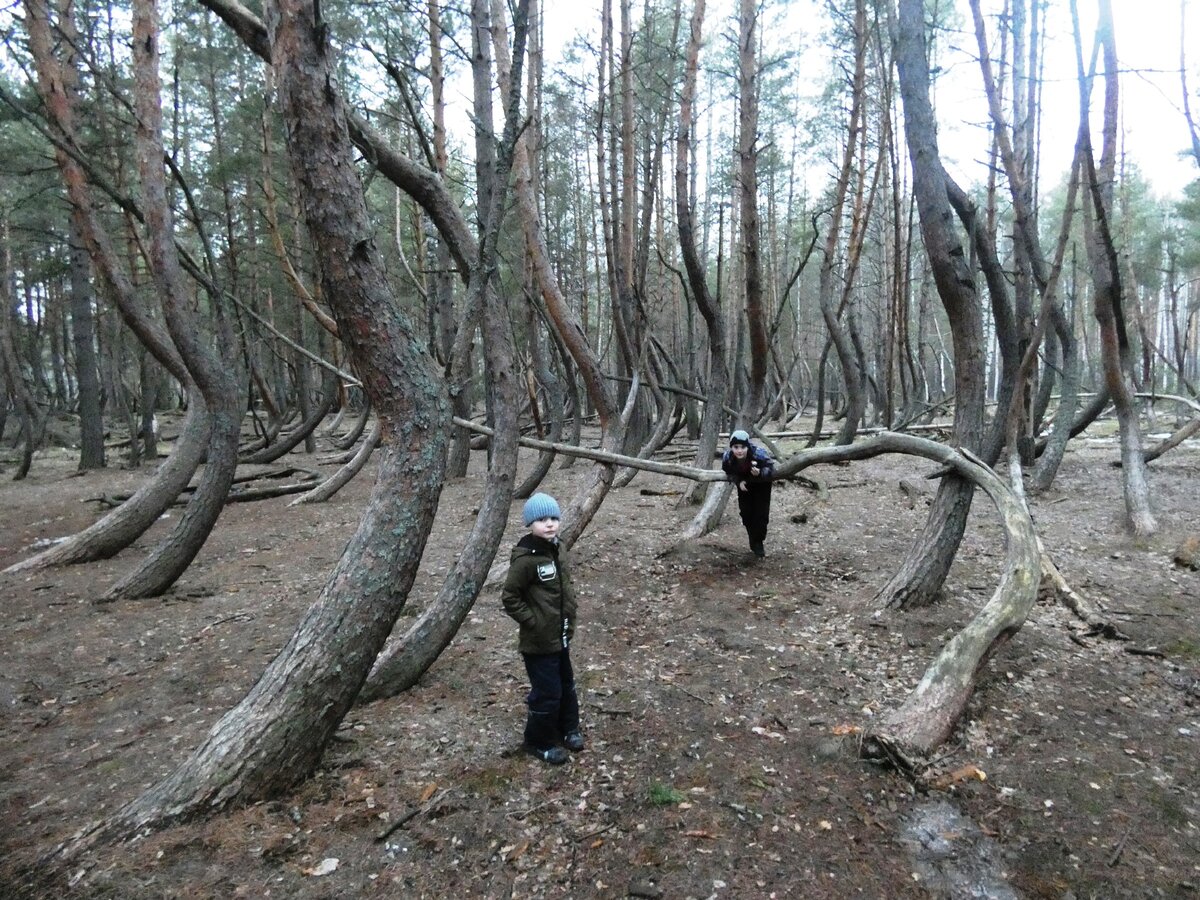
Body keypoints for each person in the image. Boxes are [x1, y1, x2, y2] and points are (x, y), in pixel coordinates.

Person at [501, 492, 584, 765]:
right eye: (541, 520)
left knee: (566, 685)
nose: (549, 524)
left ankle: (569, 728)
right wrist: (532, 620)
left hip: (560, 635)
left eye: (553, 518)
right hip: (538, 641)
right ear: (530, 524)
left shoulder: (558, 548)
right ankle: (538, 741)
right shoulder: (525, 560)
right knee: (547, 693)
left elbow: (564, 586)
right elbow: (510, 597)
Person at [721, 429, 775, 558]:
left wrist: (761, 473)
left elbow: (772, 468)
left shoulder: (759, 454)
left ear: (748, 446)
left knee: (761, 516)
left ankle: (758, 541)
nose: (739, 450)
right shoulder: (727, 458)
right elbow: (729, 472)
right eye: (736, 447)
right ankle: (753, 538)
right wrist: (738, 481)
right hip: (744, 486)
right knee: (746, 513)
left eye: (743, 447)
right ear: (732, 448)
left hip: (762, 486)